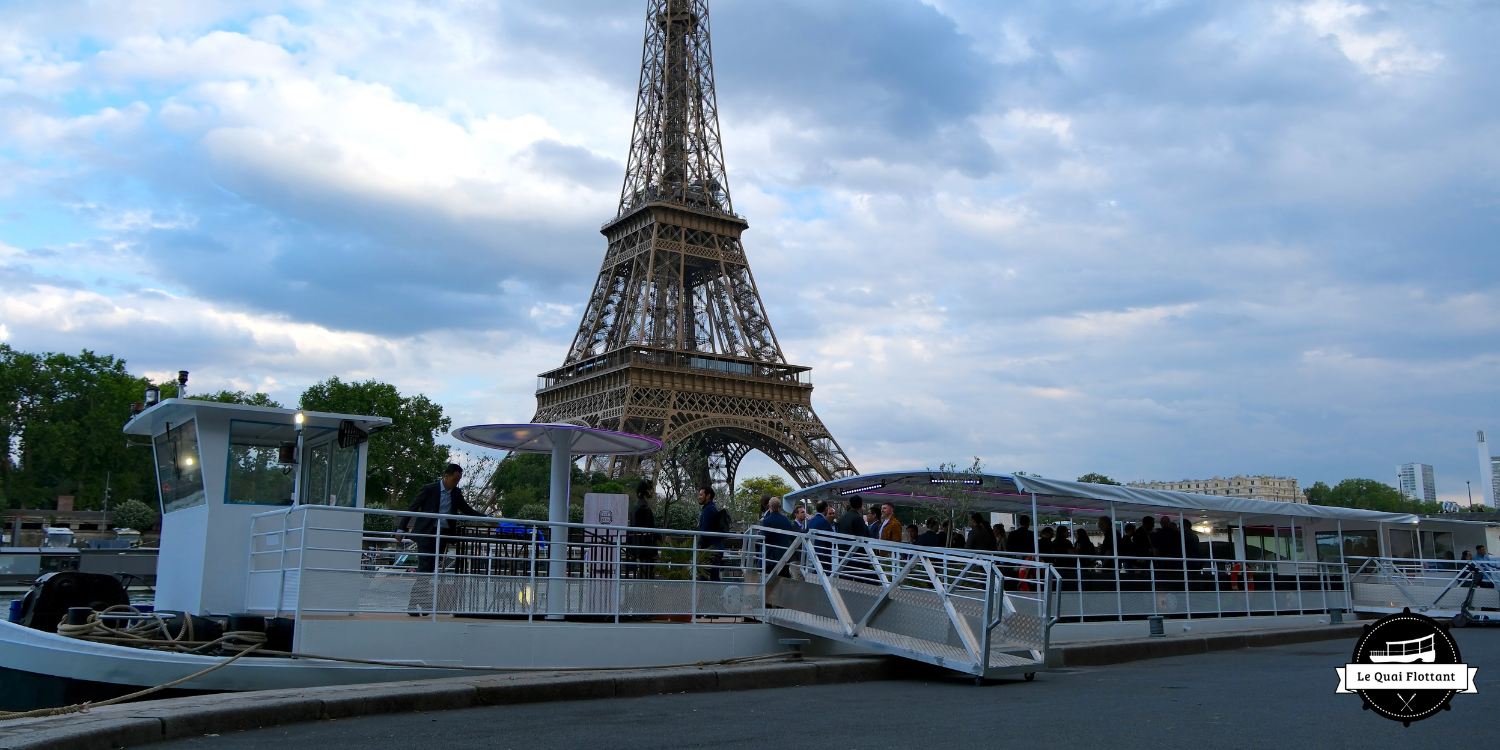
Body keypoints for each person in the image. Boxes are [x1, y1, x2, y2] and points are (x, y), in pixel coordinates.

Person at [396, 464, 486, 614]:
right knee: (425, 566)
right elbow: (412, 507)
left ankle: (416, 604)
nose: (456, 483)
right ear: (446, 476)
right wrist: (401, 528)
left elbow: (467, 509)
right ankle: (421, 604)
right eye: (454, 479)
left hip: (443, 533)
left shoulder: (456, 493)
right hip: (426, 532)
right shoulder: (429, 489)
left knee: (430, 568)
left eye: (458, 480)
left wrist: (486, 518)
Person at [627, 480, 659, 579]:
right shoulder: (644, 507)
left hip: (638, 545)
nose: (653, 491)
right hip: (645, 547)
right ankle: (640, 593)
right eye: (651, 489)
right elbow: (647, 528)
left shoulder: (637, 505)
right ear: (647, 490)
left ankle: (638, 592)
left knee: (642, 571)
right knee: (646, 572)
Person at [758, 496, 798, 575]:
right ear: (780, 506)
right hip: (785, 556)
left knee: (768, 583)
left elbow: (763, 538)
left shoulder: (767, 521)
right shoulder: (787, 520)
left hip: (770, 558)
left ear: (769, 506)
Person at [696, 486, 724, 581]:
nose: (699, 497)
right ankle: (714, 595)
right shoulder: (711, 508)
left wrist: (699, 548)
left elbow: (705, 531)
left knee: (704, 576)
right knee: (713, 575)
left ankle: (707, 596)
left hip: (710, 548)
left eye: (701, 494)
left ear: (708, 496)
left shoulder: (708, 509)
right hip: (715, 547)